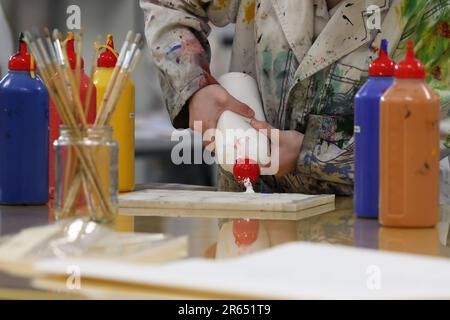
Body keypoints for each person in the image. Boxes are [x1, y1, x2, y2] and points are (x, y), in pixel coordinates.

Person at [140, 0, 450, 194]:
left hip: (365, 236)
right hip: (249, 224)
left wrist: (309, 153)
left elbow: (432, 144)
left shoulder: (427, 11)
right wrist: (194, 85)